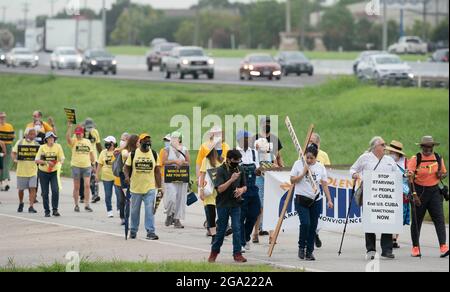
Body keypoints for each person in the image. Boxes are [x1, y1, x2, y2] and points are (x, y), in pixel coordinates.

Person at [350, 136, 398, 260]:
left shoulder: (389, 160)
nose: (385, 146)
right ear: (375, 146)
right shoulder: (364, 158)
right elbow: (353, 169)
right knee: (370, 222)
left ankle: (387, 250)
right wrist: (355, 174)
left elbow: (398, 173)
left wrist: (405, 175)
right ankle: (371, 249)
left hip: (386, 196)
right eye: (383, 144)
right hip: (369, 195)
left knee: (386, 221)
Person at [290, 144, 334, 261]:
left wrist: (329, 199)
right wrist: (303, 173)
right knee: (305, 223)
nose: (309, 160)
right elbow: (292, 180)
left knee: (313, 226)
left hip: (315, 200)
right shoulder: (298, 164)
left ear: (315, 158)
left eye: (311, 158)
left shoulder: (320, 167)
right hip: (301, 199)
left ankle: (309, 251)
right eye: (307, 157)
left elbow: (324, 184)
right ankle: (301, 247)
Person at [407, 136, 448, 258]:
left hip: (434, 191)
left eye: (430, 147)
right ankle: (415, 247)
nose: (428, 149)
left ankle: (443, 246)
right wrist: (414, 194)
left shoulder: (438, 158)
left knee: (439, 219)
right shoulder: (416, 159)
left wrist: (441, 174)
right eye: (425, 146)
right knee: (416, 220)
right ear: (421, 147)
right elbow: (409, 178)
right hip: (419, 191)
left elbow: (444, 174)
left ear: (433, 147)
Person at [208, 150, 247, 263]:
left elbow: (245, 186)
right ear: (229, 159)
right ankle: (214, 253)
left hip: (236, 204)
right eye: (235, 161)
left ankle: (237, 253)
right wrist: (231, 180)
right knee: (221, 231)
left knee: (237, 228)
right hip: (223, 204)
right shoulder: (220, 170)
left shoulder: (240, 169)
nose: (237, 163)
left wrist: (241, 190)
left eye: (239, 161)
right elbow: (220, 189)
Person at [124, 133, 162, 240]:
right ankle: (133, 230)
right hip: (136, 188)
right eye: (145, 140)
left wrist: (160, 187)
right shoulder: (133, 154)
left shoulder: (154, 154)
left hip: (149, 187)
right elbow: (126, 168)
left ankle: (150, 231)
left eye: (149, 140)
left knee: (149, 210)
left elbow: (157, 172)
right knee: (135, 211)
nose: (147, 142)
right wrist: (127, 177)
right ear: (140, 142)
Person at [253, 116, 284, 243]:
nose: (268, 125)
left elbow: (278, 156)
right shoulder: (254, 139)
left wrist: (281, 167)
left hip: (271, 176)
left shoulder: (275, 139)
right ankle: (255, 232)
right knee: (259, 205)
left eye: (269, 123)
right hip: (259, 176)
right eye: (266, 123)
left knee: (272, 204)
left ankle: (272, 234)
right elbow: (251, 157)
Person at [237, 130, 261, 252]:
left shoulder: (254, 152)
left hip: (252, 188)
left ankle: (246, 236)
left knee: (255, 213)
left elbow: (257, 168)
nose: (249, 140)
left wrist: (259, 170)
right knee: (241, 216)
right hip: (241, 189)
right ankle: (241, 242)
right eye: (247, 138)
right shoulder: (235, 153)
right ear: (240, 140)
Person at [161, 131, 190, 229]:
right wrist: (174, 161)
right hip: (170, 176)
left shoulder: (185, 150)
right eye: (172, 138)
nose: (173, 140)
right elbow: (163, 162)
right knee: (171, 197)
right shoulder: (167, 150)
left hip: (181, 176)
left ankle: (177, 219)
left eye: (175, 138)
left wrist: (182, 163)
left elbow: (188, 162)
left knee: (180, 198)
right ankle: (169, 214)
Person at [385, 140, 410, 249]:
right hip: (389, 192)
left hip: (403, 193)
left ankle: (395, 238)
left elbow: (409, 177)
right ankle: (392, 238)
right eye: (390, 152)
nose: (391, 154)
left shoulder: (406, 162)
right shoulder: (385, 161)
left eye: (393, 152)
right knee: (391, 215)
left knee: (401, 217)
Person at [309, 132, 331, 248]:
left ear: (318, 142)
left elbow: (328, 171)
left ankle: (315, 233)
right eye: (309, 141)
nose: (310, 143)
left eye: (312, 141)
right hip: (307, 190)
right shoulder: (303, 153)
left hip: (319, 190)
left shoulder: (323, 155)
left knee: (317, 215)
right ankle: (310, 235)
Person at [66, 123, 95, 213]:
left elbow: (91, 153)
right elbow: (68, 138)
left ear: (83, 133)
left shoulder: (87, 141)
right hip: (76, 166)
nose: (79, 135)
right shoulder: (74, 141)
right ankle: (76, 204)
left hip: (86, 166)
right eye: (77, 133)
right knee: (77, 186)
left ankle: (87, 204)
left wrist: (93, 164)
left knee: (87, 185)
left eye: (80, 133)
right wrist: (69, 128)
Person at [35, 132, 65, 217]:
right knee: (45, 192)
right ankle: (46, 211)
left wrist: (60, 162)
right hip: (43, 172)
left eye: (53, 138)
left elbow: (62, 158)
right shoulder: (42, 147)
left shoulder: (58, 146)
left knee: (55, 190)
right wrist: (47, 162)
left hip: (54, 172)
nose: (52, 139)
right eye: (50, 138)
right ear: (46, 139)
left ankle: (55, 210)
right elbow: (36, 160)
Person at [199, 142, 223, 243]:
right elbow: (202, 174)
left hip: (220, 191)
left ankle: (220, 231)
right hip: (209, 191)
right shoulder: (206, 160)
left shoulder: (222, 161)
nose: (220, 151)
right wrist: (201, 190)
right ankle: (213, 235)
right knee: (211, 214)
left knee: (221, 215)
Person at [11, 127, 39, 213]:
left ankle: (31, 206)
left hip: (33, 170)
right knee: (21, 189)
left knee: (33, 188)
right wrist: (14, 159)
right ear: (26, 134)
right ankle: (21, 202)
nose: (32, 135)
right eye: (31, 134)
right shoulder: (20, 142)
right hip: (22, 171)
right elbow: (13, 153)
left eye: (34, 134)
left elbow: (40, 155)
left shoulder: (36, 144)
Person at [80, 118, 102, 204]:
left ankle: (83, 196)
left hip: (85, 158)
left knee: (85, 177)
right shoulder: (95, 131)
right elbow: (98, 144)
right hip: (92, 158)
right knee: (93, 177)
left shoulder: (81, 132)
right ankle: (94, 194)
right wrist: (102, 153)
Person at [96, 136, 119, 218]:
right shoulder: (103, 152)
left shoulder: (117, 152)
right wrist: (97, 174)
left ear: (112, 143)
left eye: (108, 142)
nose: (106, 144)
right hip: (106, 177)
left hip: (116, 177)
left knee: (118, 194)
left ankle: (119, 208)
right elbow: (99, 164)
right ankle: (109, 210)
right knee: (108, 195)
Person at [113, 132, 130, 224]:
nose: (122, 141)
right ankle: (122, 217)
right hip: (119, 179)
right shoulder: (118, 150)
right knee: (121, 200)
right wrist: (125, 146)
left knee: (128, 199)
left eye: (124, 140)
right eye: (121, 139)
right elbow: (117, 154)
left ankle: (127, 217)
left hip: (128, 179)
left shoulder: (131, 151)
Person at [0, 112, 15, 191]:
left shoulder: (9, 126)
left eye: (3, 117)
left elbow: (12, 137)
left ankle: (5, 182)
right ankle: (2, 183)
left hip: (8, 146)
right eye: (1, 117)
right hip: (0, 146)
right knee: (1, 165)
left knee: (6, 164)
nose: (2, 119)